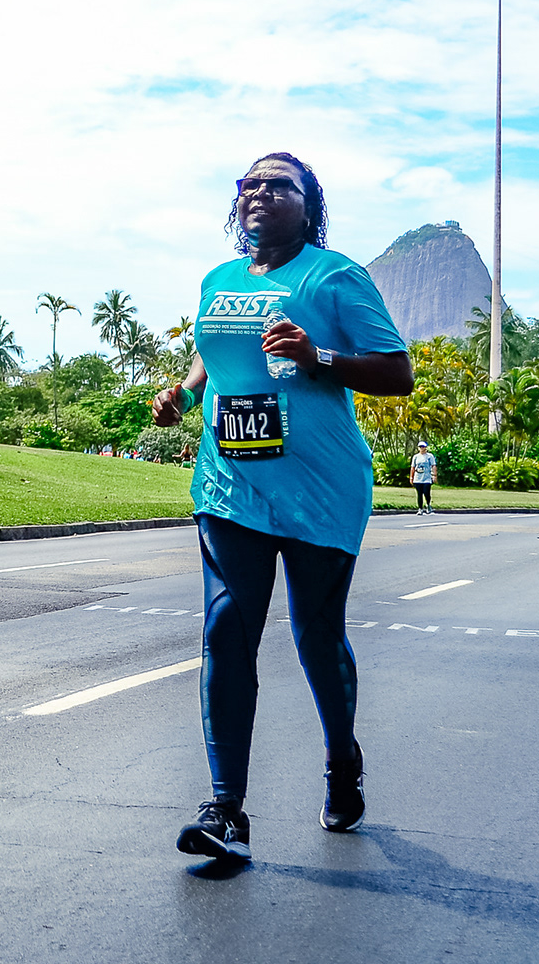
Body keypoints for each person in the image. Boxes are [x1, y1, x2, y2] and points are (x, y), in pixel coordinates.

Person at [150, 152, 412, 862]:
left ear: (308, 203)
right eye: (249, 184)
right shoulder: (218, 280)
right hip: (230, 481)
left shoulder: (334, 276)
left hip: (320, 485)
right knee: (226, 627)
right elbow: (212, 356)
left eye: (277, 185)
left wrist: (317, 356)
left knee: (315, 637)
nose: (259, 192)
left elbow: (397, 372)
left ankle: (342, 759)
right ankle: (225, 809)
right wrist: (184, 395)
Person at [409, 441, 436, 515]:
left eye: (423, 447)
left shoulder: (429, 456)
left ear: (425, 447)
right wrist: (411, 477)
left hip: (426, 478)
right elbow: (413, 467)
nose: (422, 448)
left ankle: (428, 505)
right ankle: (420, 508)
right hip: (418, 478)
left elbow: (433, 466)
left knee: (426, 492)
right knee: (419, 494)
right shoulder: (416, 457)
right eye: (420, 447)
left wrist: (434, 475)